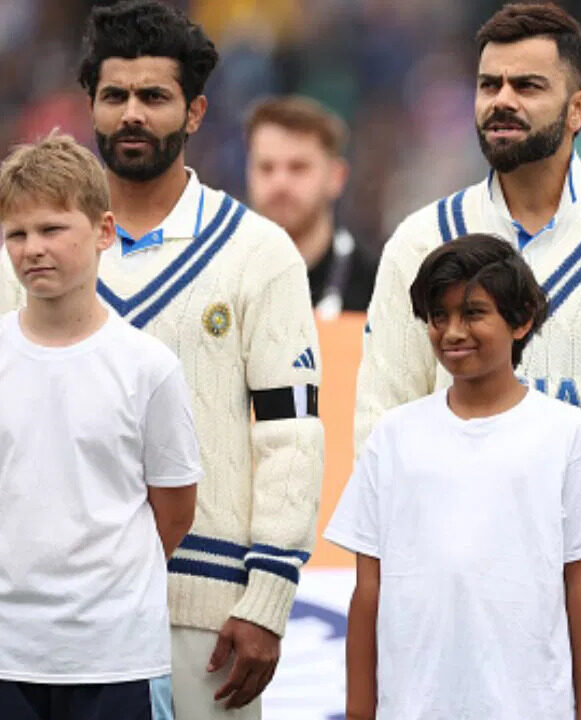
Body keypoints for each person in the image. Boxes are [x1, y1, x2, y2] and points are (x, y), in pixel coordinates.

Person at [355, 4, 581, 717]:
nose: (501, 101)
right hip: (449, 604)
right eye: (488, 84)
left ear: (580, 107)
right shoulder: (419, 242)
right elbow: (380, 424)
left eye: (527, 86)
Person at [78, 2, 324, 718]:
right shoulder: (31, 252)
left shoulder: (258, 253)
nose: (132, 114)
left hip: (207, 614)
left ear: (194, 113)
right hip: (56, 611)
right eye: (115, 95)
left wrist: (267, 597)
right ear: (91, 105)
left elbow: (290, 436)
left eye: (154, 96)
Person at [326, 233, 581, 720]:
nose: (452, 332)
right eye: (438, 316)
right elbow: (368, 591)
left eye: (472, 314)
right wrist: (359, 711)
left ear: (521, 319)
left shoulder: (569, 435)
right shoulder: (393, 436)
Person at [0, 131, 200, 719]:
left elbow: (174, 512)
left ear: (104, 231)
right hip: (9, 653)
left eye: (52, 229)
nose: (33, 249)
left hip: (117, 657)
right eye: (17, 234)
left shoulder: (148, 368)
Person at [244, 95, 377, 319]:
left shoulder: (380, 292)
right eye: (266, 167)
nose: (280, 183)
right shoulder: (217, 282)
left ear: (336, 177)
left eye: (298, 167)